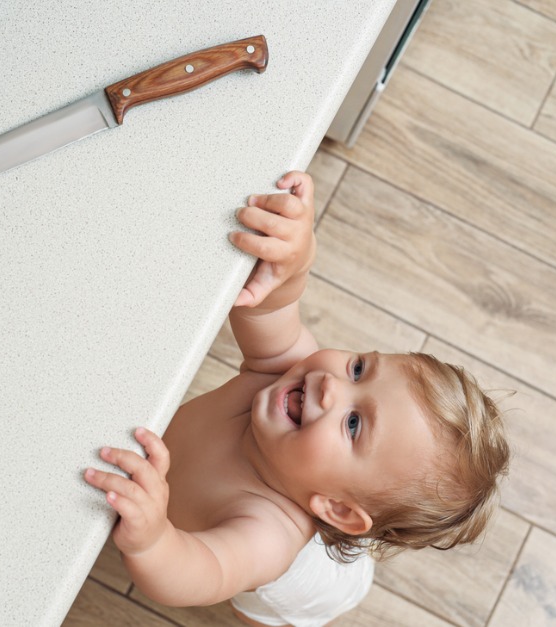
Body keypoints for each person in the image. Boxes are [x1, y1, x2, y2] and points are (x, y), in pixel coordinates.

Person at [84, 171, 510, 626]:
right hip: (341, 528)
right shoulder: (286, 372)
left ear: (337, 508)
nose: (331, 385)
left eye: (353, 424)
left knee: (260, 611)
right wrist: (293, 261)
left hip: (307, 590)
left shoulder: (267, 533)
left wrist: (153, 541)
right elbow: (268, 306)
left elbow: (201, 571)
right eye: (359, 370)